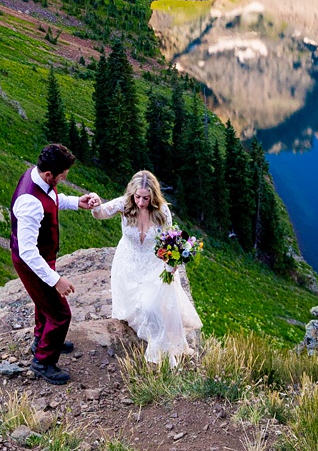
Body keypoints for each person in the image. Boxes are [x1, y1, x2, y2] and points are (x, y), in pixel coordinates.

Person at [10, 143, 101, 384]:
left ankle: (42, 340)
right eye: (62, 176)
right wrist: (56, 280)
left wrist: (77, 202)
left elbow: (51, 200)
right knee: (60, 314)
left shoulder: (38, 177)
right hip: (31, 262)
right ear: (49, 174)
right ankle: (43, 362)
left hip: (43, 256)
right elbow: (28, 252)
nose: (64, 179)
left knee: (44, 304)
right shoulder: (29, 203)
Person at [92, 169, 202, 365]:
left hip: (154, 265)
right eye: (137, 197)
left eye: (146, 198)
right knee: (136, 310)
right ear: (132, 193)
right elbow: (100, 214)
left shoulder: (162, 211)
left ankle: (159, 354)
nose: (141, 202)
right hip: (129, 264)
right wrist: (94, 202)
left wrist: (172, 263)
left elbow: (170, 240)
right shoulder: (124, 205)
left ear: (153, 196)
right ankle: (155, 346)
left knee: (151, 307)